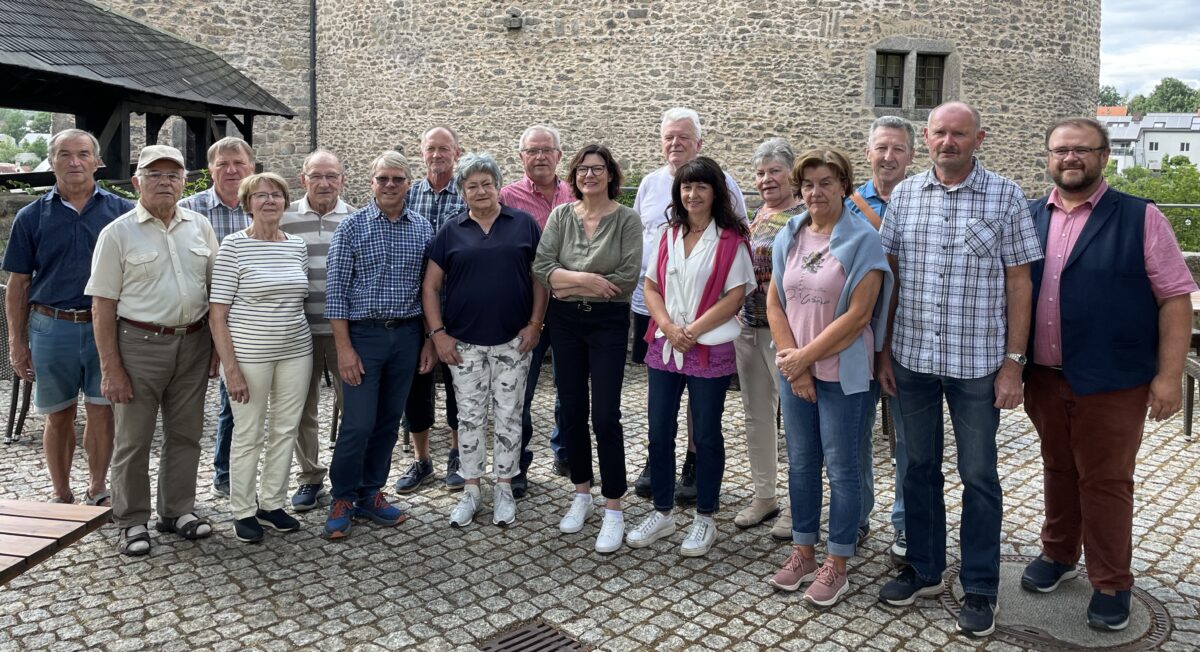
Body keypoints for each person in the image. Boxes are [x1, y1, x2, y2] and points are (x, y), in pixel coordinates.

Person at [1020, 117, 1196, 630]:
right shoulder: (1031, 216)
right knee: (1058, 468)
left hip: (1114, 379)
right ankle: (1058, 555)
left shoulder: (1140, 217)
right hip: (1046, 376)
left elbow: (1175, 299)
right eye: (1060, 150)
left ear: (1104, 156)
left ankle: (1112, 582)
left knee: (1106, 480)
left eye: (1082, 150)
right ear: (1048, 157)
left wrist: (1167, 378)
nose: (1070, 159)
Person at [876, 102, 1043, 638]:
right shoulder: (904, 195)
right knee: (917, 468)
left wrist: (1014, 364)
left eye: (959, 134)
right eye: (940, 133)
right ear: (926, 137)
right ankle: (924, 569)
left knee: (978, 476)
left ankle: (979, 585)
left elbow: (1020, 283)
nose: (948, 142)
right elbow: (891, 279)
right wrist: (883, 351)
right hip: (913, 359)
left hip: (978, 364)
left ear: (979, 138)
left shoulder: (1006, 195)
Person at [764, 148, 891, 607]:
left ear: (844, 187)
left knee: (842, 469)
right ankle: (802, 551)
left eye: (827, 182)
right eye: (809, 184)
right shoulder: (791, 234)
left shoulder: (862, 241)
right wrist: (792, 363)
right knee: (800, 465)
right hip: (796, 373)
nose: (816, 192)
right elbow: (774, 302)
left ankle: (837, 563)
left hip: (844, 375)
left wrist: (805, 361)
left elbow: (859, 317)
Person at [86, 145, 219, 556]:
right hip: (139, 345)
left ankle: (176, 510)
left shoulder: (199, 226)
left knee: (186, 433)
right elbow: (102, 306)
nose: (165, 182)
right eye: (155, 174)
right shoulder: (118, 232)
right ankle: (131, 520)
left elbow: (214, 293)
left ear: (184, 181)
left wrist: (215, 348)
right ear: (137, 181)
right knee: (134, 437)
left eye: (173, 175)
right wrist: (111, 368)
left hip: (194, 342)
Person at [625, 157, 753, 557]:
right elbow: (649, 286)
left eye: (700, 187)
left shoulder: (732, 240)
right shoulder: (667, 235)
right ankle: (662, 511)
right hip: (666, 345)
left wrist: (693, 331)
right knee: (659, 429)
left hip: (708, 347)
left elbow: (736, 295)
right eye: (685, 187)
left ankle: (704, 517)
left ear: (716, 192)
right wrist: (667, 326)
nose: (692, 194)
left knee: (707, 434)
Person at [3, 129, 131, 506]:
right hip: (51, 324)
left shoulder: (121, 212)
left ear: (96, 161)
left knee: (101, 410)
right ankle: (60, 494)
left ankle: (97, 487)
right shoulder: (31, 216)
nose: (74, 162)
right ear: (52, 161)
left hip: (105, 328)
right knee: (57, 415)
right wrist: (16, 341)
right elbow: (18, 284)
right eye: (64, 154)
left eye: (82, 154)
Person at [423, 153, 546, 527]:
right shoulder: (450, 230)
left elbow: (540, 278)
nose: (480, 191)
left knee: (510, 415)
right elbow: (430, 286)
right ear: (462, 191)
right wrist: (438, 334)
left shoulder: (523, 225)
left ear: (497, 186)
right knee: (469, 417)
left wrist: (536, 324)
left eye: (486, 183)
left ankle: (505, 488)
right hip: (464, 344)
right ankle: (471, 489)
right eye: (471, 185)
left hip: (513, 340)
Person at [533, 144, 642, 553]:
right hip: (565, 323)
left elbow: (626, 278)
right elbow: (542, 269)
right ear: (574, 176)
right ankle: (582, 493)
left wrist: (568, 280)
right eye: (582, 169)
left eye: (597, 169)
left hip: (608, 323)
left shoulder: (626, 219)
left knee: (607, 414)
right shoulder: (562, 215)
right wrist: (589, 281)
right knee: (572, 408)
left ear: (610, 175)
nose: (589, 175)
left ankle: (614, 507)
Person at [323, 151, 435, 539]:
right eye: (383, 178)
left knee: (389, 421)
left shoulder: (422, 228)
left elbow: (428, 291)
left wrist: (427, 342)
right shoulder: (351, 227)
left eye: (398, 179)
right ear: (371, 182)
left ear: (409, 184)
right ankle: (342, 496)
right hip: (363, 337)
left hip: (406, 335)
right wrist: (344, 348)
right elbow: (334, 293)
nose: (390, 185)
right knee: (357, 423)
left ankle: (371, 492)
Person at [210, 173, 313, 543]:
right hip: (249, 356)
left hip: (295, 352)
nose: (269, 201)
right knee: (249, 433)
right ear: (246, 203)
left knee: (285, 430)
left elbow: (295, 297)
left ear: (286, 202)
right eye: (260, 196)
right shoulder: (233, 247)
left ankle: (272, 503)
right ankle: (242, 509)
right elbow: (217, 314)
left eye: (276, 195)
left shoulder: (296, 246)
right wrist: (230, 368)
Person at [845, 115, 917, 561]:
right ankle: (855, 518)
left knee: (911, 439)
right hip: (856, 335)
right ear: (868, 151)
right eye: (881, 148)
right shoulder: (848, 203)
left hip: (909, 336)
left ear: (911, 155)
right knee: (854, 436)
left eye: (897, 149)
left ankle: (906, 524)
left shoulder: (921, 200)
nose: (888, 157)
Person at [500, 124, 575, 496]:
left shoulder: (577, 194)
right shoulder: (505, 198)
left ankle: (565, 450)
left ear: (560, 155)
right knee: (520, 390)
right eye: (533, 151)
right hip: (523, 308)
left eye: (547, 150)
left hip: (570, 306)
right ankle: (516, 463)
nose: (541, 156)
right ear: (521, 157)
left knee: (570, 384)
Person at [732, 138, 802, 537]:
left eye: (774, 171)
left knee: (794, 421)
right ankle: (764, 496)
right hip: (747, 326)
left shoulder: (805, 215)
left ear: (791, 174)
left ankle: (798, 504)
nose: (766, 179)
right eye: (760, 173)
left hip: (787, 333)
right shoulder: (755, 217)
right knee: (757, 415)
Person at [179, 136, 255, 498]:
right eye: (222, 163)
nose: (231, 170)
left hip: (242, 325)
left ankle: (225, 472)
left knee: (234, 400)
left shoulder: (260, 207)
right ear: (210, 169)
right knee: (187, 407)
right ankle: (181, 486)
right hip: (194, 322)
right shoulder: (189, 211)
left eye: (238, 162)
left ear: (251, 167)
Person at [279, 149, 355, 511]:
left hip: (345, 332)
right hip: (298, 330)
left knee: (352, 407)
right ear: (302, 178)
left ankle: (346, 477)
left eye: (332, 176)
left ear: (342, 179)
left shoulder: (356, 219)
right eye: (317, 176)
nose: (324, 183)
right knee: (300, 408)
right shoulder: (283, 217)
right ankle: (309, 477)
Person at [394, 126, 468, 495]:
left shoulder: (468, 193)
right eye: (430, 149)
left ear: (457, 153)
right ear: (421, 154)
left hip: (457, 307)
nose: (437, 155)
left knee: (458, 385)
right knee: (416, 385)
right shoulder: (407, 194)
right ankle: (421, 460)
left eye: (444, 149)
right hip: (413, 306)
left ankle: (457, 455)